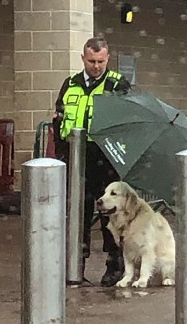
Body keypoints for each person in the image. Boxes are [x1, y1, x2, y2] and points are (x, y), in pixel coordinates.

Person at [52, 37, 131, 287]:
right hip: (77, 159)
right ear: (83, 59)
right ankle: (76, 266)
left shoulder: (117, 84)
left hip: (106, 159)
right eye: (91, 61)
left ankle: (114, 266)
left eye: (100, 61)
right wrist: (63, 153)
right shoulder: (71, 84)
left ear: (108, 59)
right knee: (78, 214)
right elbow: (60, 117)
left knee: (111, 215)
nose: (96, 66)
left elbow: (126, 122)